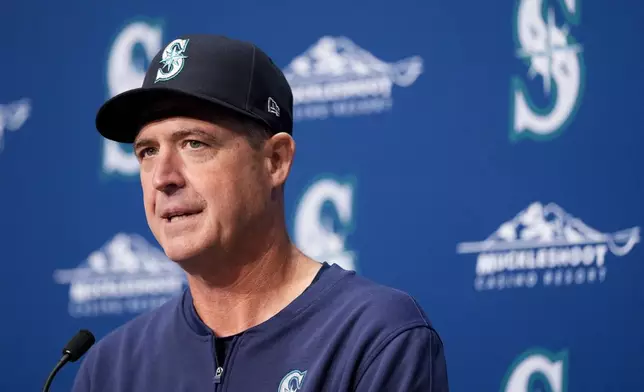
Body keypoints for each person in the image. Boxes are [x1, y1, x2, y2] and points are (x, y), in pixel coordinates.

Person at [72, 34, 449, 391]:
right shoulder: (110, 369)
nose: (163, 178)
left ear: (275, 161)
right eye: (147, 152)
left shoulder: (375, 337)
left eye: (193, 143)